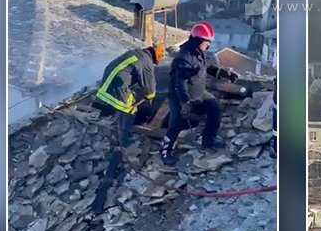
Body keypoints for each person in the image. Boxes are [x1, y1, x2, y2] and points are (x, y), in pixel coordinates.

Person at [160, 22, 239, 166]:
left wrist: (224, 73)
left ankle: (208, 141)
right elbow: (180, 83)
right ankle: (165, 153)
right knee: (176, 124)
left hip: (199, 93)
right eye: (207, 41)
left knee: (215, 109)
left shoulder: (199, 53)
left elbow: (205, 68)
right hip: (180, 96)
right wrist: (185, 103)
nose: (208, 45)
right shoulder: (184, 57)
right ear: (198, 40)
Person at [94, 43, 164, 145]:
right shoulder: (147, 61)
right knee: (131, 108)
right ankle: (124, 138)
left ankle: (111, 117)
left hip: (106, 84)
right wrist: (150, 96)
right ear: (157, 56)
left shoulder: (137, 53)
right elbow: (150, 89)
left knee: (125, 100)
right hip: (117, 86)